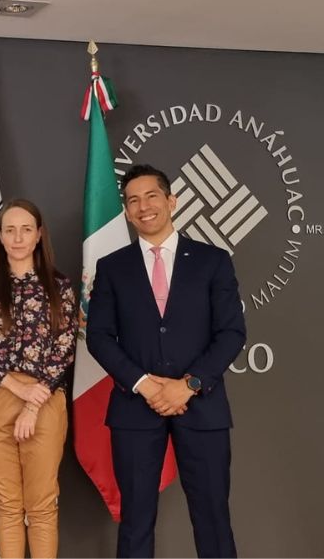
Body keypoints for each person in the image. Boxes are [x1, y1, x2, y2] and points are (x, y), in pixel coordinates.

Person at [86, 164, 246, 558]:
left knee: (213, 520)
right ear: (125, 211)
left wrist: (188, 385)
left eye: (151, 196)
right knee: (136, 522)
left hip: (202, 406)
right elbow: (99, 337)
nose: (143, 207)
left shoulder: (213, 261)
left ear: (171, 201)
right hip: (135, 410)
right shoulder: (112, 267)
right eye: (133, 201)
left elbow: (232, 333)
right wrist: (143, 383)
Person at [0, 199, 76, 558]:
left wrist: (32, 402)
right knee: (7, 503)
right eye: (10, 229)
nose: (18, 237)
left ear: (39, 235)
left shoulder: (59, 286)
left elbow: (64, 348)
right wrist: (15, 387)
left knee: (41, 504)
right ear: (0, 236)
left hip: (45, 400)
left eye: (26, 229)